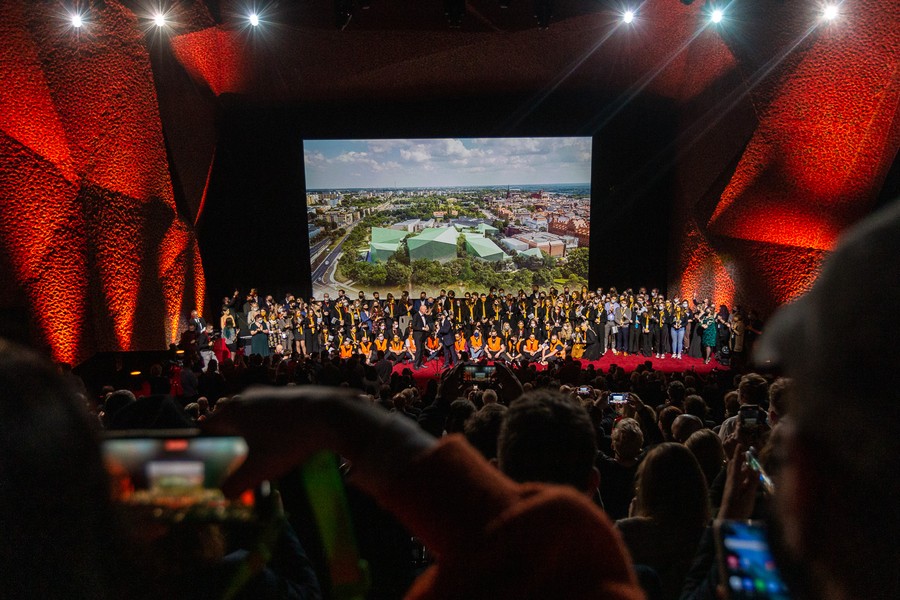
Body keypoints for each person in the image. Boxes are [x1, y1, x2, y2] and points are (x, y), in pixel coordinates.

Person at [411, 303, 430, 370]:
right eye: (425, 309)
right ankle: (416, 365)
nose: (426, 310)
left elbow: (425, 323)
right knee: (418, 350)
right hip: (417, 336)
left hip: (423, 336)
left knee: (422, 350)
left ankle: (421, 363)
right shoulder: (416, 315)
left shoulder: (424, 316)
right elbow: (413, 326)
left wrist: (427, 326)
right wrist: (422, 328)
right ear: (421, 309)